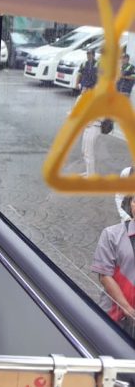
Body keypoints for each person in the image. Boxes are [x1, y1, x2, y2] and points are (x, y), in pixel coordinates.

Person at [91, 195, 135, 338]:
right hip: (114, 317)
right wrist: (128, 309)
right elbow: (105, 276)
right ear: (129, 205)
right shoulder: (111, 234)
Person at [77, 50, 100, 176]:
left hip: (94, 126)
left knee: (89, 152)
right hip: (87, 126)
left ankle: (91, 175)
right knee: (84, 151)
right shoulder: (82, 98)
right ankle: (88, 172)